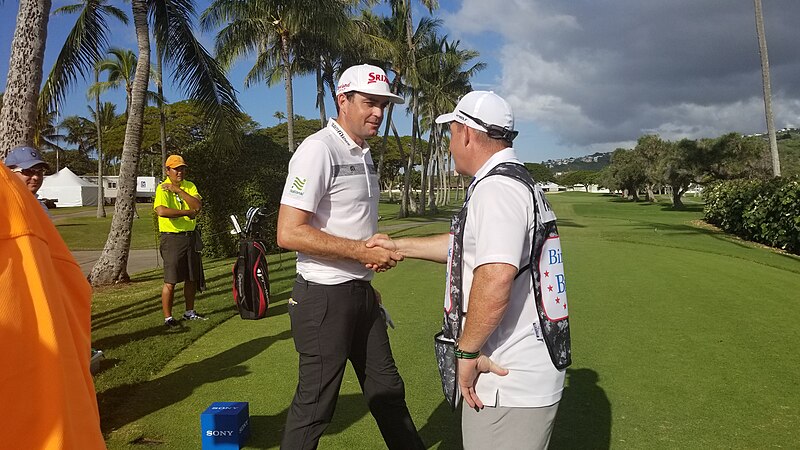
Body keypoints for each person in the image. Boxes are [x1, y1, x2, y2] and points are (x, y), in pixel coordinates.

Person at [367, 91, 567, 449]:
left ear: (467, 135)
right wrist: (401, 246)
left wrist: (467, 353)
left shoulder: (497, 190)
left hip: (508, 377)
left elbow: (495, 275)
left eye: (451, 134)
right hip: (520, 372)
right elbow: (468, 247)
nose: (449, 145)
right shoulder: (512, 181)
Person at [277, 64, 425, 450]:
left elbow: (349, 223)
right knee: (315, 408)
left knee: (387, 390)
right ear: (343, 100)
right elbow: (288, 232)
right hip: (323, 297)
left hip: (359, 293)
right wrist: (361, 252)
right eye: (369, 102)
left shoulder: (363, 153)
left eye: (383, 104)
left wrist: (366, 263)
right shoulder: (318, 149)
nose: (378, 112)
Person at [0, 163, 106, 449]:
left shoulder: (22, 202)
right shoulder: (12, 198)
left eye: (40, 171)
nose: (34, 177)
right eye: (27, 171)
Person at [154, 154, 205, 328]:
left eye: (182, 168)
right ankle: (168, 318)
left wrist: (178, 191)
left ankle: (189, 312)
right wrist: (186, 213)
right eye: (176, 168)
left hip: (189, 236)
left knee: (191, 278)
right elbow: (161, 211)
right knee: (171, 280)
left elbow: (197, 206)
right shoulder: (162, 188)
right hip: (172, 238)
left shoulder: (189, 186)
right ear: (167, 170)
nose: (180, 172)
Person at [4, 145, 51, 215]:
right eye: (28, 171)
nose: (36, 177)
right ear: (9, 173)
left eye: (40, 171)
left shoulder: (42, 208)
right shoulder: (4, 207)